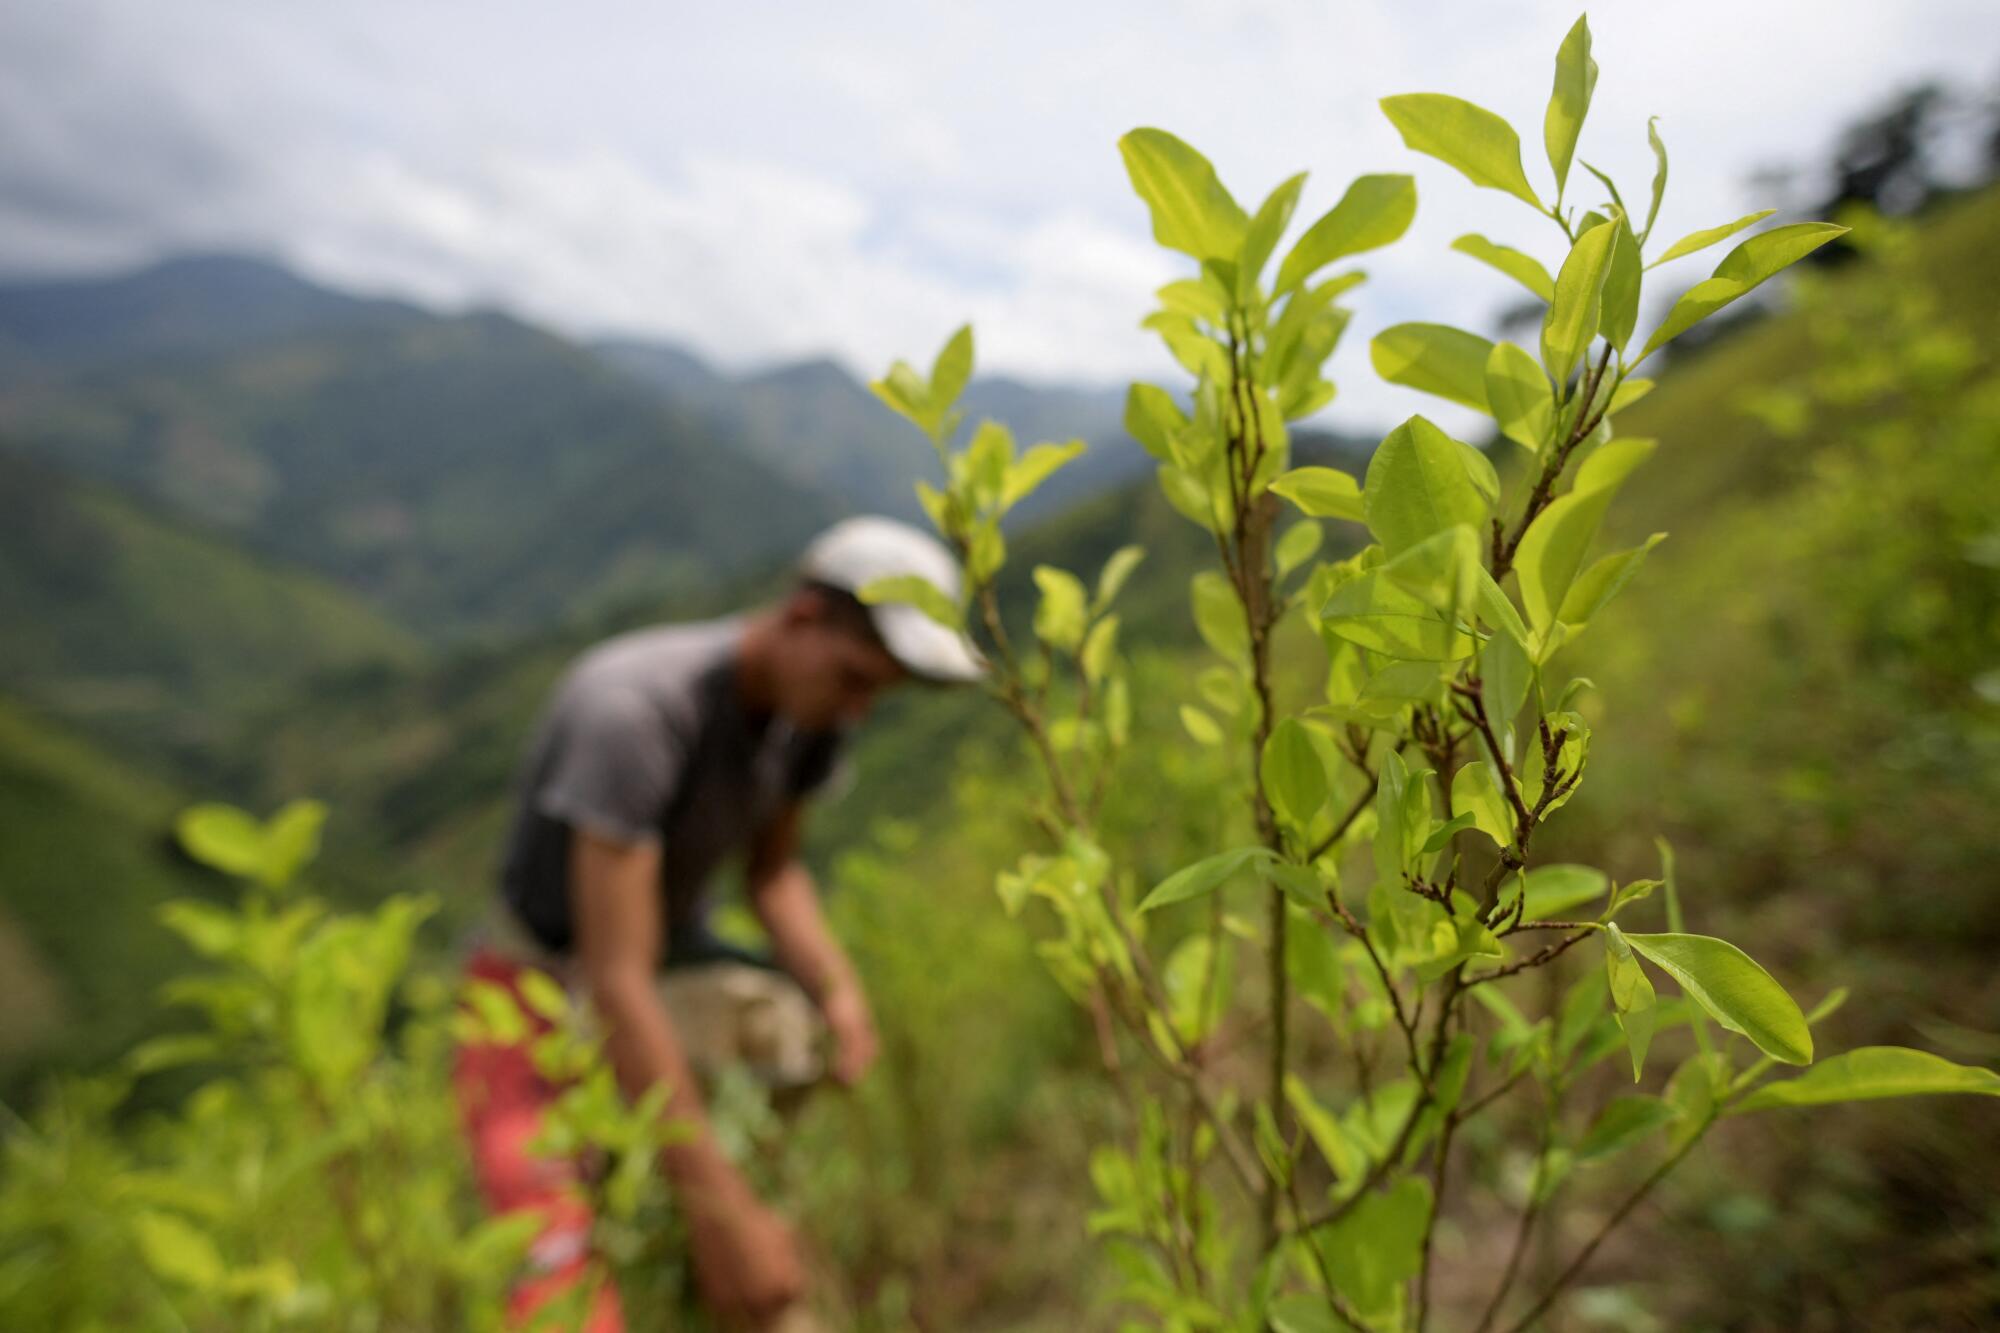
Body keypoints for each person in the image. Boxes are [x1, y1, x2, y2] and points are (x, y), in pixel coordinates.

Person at [452, 516, 983, 1332]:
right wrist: (719, 1210)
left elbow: (773, 872)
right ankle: (684, 1222)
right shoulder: (632, 712)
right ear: (803, 617)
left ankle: (695, 1233)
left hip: (666, 958)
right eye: (852, 678)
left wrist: (838, 993)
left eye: (878, 690)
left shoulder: (812, 720)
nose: (861, 708)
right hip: (539, 981)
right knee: (552, 1269)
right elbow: (615, 976)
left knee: (789, 1035)